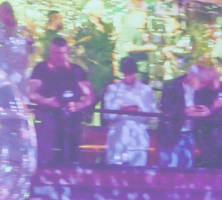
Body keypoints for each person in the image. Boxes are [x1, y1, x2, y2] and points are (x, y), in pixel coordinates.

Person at [28, 36, 94, 165]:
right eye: (57, 53)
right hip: (48, 118)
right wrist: (46, 101)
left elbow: (90, 96)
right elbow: (30, 92)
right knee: (47, 153)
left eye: (63, 53)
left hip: (72, 120)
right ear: (51, 52)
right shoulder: (41, 68)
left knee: (71, 154)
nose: (60, 56)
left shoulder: (76, 70)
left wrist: (79, 105)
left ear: (68, 52)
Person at [103, 57, 157, 167]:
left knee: (137, 175)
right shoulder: (112, 89)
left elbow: (152, 116)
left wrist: (138, 110)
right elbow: (106, 115)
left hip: (138, 142)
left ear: (135, 73)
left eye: (130, 73)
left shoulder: (146, 90)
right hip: (117, 141)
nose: (128, 76)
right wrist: (119, 109)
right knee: (115, 173)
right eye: (126, 73)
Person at [157, 64, 210, 169]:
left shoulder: (200, 91)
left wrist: (208, 110)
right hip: (171, 135)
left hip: (189, 135)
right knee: (170, 170)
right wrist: (185, 110)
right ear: (192, 76)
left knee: (187, 170)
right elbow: (166, 108)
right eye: (201, 82)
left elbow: (206, 104)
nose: (202, 86)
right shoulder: (171, 85)